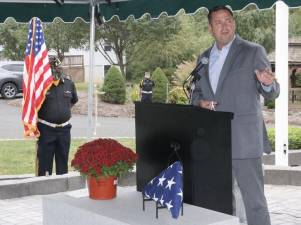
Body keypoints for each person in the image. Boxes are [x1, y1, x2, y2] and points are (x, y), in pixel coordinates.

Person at [191, 6, 280, 225]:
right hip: (214, 141)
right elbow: (196, 94)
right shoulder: (203, 59)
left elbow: (273, 90)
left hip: (244, 139)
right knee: (220, 200)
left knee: (254, 201)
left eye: (228, 20)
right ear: (210, 28)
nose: (225, 25)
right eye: (219, 22)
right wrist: (199, 103)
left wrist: (267, 84)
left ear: (234, 23)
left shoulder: (252, 51)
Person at [37, 55, 78, 176]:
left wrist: (61, 113)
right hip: (46, 130)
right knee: (45, 164)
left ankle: (62, 188)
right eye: (52, 67)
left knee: (63, 162)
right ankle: (44, 189)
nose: (56, 69)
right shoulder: (41, 86)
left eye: (58, 67)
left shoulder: (69, 84)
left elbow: (72, 101)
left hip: (64, 130)